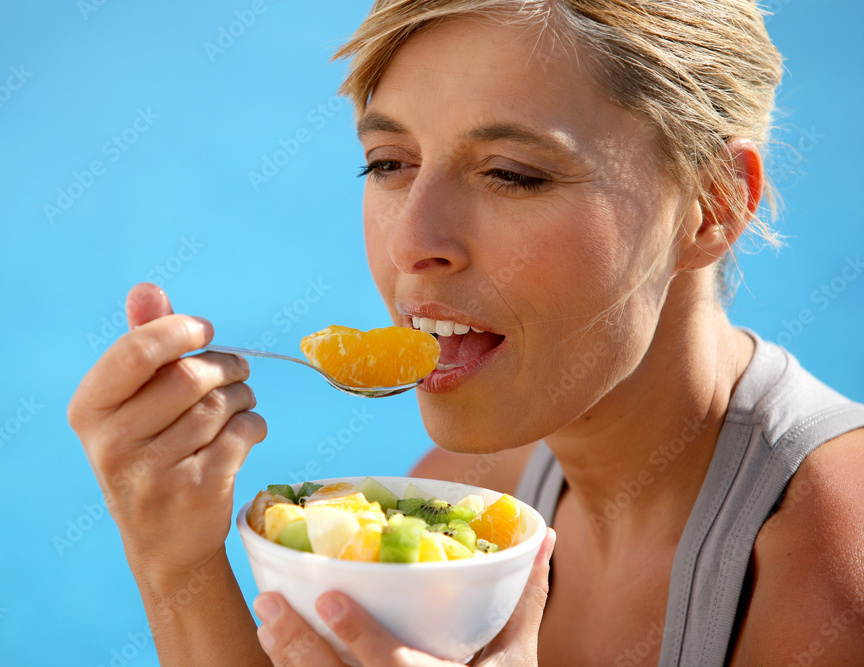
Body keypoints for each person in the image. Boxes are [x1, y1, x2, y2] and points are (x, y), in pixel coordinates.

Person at [67, 1, 864, 665]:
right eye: (388, 162)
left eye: (512, 174)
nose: (414, 242)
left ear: (715, 204)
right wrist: (176, 555)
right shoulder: (473, 489)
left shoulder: (833, 556)